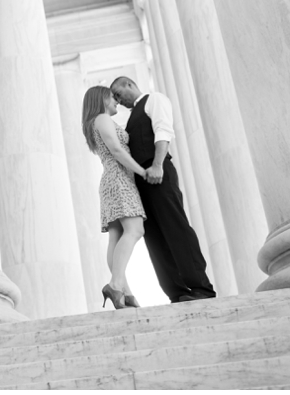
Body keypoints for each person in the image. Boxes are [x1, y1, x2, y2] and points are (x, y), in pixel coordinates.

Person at [109, 76, 216, 303]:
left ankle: (201, 288)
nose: (118, 101)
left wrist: (157, 164)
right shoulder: (130, 119)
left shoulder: (154, 99)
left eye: (119, 94)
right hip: (141, 183)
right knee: (154, 239)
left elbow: (163, 131)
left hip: (159, 173)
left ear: (130, 84)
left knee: (176, 228)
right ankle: (176, 292)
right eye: (115, 98)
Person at [81, 85, 148, 310]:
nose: (116, 101)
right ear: (101, 100)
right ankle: (116, 285)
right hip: (118, 178)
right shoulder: (101, 118)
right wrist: (142, 171)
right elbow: (117, 150)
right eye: (112, 98)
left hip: (112, 179)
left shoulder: (95, 122)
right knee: (135, 230)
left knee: (116, 236)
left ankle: (125, 293)